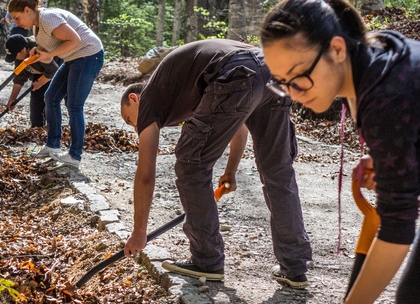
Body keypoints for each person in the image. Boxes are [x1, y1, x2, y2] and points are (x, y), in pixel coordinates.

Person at [260, 0, 420, 302]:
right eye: (282, 83)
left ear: (336, 49)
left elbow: (398, 228)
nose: (293, 95)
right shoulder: (370, 62)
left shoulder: (385, 94)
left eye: (299, 77)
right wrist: (391, 157)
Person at [120, 39, 312, 287]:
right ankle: (295, 267)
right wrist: (230, 170)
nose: (136, 127)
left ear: (134, 99)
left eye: (129, 119)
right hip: (273, 72)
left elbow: (146, 173)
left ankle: (206, 260)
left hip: (235, 72)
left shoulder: (149, 99)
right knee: (278, 173)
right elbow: (239, 126)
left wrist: (138, 232)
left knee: (191, 165)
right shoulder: (181, 88)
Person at [7, 0, 104, 168]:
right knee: (50, 97)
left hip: (88, 55)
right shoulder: (37, 26)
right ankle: (53, 145)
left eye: (17, 18)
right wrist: (38, 51)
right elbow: (49, 45)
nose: (16, 22)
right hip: (72, 58)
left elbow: (74, 40)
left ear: (27, 10)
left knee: (74, 105)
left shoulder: (48, 17)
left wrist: (49, 54)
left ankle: (75, 155)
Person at [4, 34, 58, 127]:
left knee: (51, 99)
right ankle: (37, 127)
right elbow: (19, 78)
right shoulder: (20, 53)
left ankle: (54, 129)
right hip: (41, 73)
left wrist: (40, 83)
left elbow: (53, 70)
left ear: (24, 49)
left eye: (15, 55)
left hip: (58, 69)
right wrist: (12, 99)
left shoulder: (38, 50)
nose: (15, 59)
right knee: (36, 101)